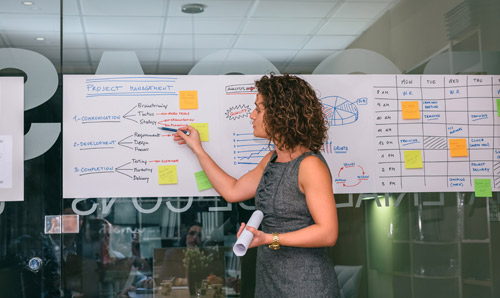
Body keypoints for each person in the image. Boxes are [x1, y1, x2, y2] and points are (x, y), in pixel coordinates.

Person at [173, 73, 340, 297]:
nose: (252, 115)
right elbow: (232, 191)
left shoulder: (310, 165)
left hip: (307, 286)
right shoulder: (272, 159)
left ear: (281, 114)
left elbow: (328, 233)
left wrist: (269, 238)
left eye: (259, 109)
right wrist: (198, 149)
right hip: (271, 282)